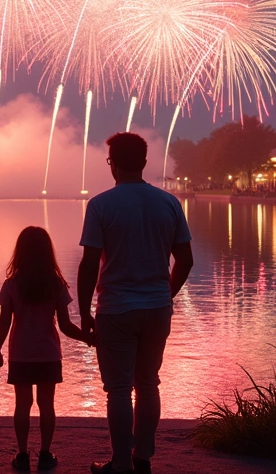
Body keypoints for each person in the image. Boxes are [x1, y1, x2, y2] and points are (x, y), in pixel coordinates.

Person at [78, 132, 194, 474]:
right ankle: (142, 458)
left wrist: (84, 312)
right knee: (148, 384)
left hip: (115, 309)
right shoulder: (169, 203)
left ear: (113, 164)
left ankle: (120, 463)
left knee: (118, 390)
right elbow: (185, 260)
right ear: (144, 162)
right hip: (157, 308)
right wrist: (165, 295)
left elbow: (89, 264)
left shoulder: (100, 205)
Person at [0, 227, 94, 471]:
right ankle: (45, 453)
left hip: (21, 354)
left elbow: (4, 322)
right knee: (47, 405)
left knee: (22, 405)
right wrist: (88, 338)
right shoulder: (56, 284)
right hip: (48, 353)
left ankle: (23, 453)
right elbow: (66, 326)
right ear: (48, 252)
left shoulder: (12, 284)